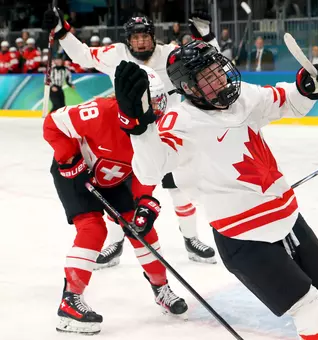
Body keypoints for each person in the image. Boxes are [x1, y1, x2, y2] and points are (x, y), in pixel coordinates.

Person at [114, 41, 318, 339]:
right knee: (309, 307)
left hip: (288, 218)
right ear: (189, 87)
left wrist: (309, 84)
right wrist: (140, 132)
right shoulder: (179, 122)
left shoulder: (243, 96)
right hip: (244, 237)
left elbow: (286, 100)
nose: (220, 79)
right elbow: (150, 170)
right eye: (207, 77)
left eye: (218, 70)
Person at [42, 8, 218, 266]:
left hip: (168, 136)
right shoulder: (115, 54)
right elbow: (82, 55)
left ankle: (191, 238)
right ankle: (115, 243)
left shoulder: (169, 53)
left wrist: (206, 36)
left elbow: (208, 61)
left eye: (145, 37)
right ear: (128, 40)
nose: (141, 42)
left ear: (153, 36)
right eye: (135, 38)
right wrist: (61, 30)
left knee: (179, 191)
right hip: (130, 138)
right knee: (120, 196)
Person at [42, 66, 188, 335]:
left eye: (159, 102)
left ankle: (160, 288)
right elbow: (52, 124)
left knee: (141, 226)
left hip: (116, 176)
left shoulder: (154, 128)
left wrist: (145, 201)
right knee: (93, 228)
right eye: (151, 103)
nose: (156, 110)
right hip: (76, 172)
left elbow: (147, 170)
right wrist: (68, 158)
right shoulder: (98, 112)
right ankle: (70, 301)